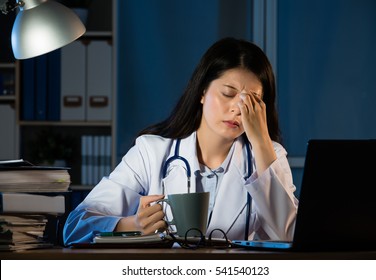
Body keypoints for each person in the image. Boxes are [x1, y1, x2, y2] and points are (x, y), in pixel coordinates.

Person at [63, 37, 299, 246]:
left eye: (252, 101)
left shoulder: (269, 154)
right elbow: (75, 227)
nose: (238, 109)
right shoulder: (152, 152)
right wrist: (130, 225)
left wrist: (261, 141)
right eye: (228, 94)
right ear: (202, 92)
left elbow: (290, 236)